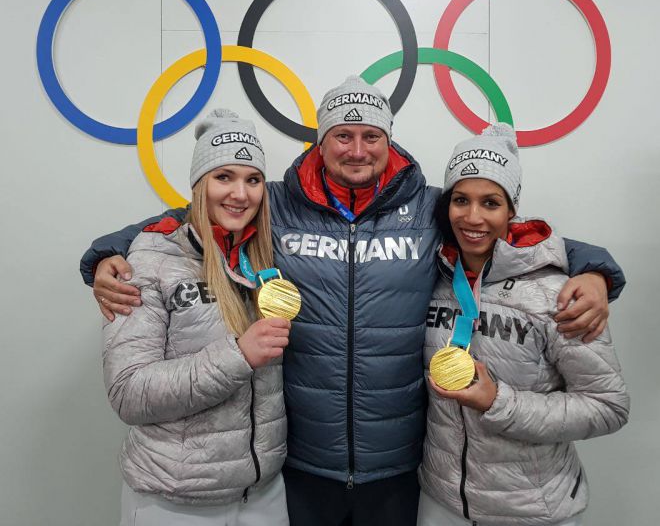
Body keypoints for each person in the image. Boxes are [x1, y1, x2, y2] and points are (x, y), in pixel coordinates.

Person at [82, 77, 625, 526]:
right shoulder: (275, 203)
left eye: (372, 135)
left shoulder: (430, 208)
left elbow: (509, 236)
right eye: (343, 135)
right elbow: (189, 220)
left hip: (398, 465)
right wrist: (106, 254)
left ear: (390, 140)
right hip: (299, 461)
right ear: (321, 141)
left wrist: (596, 269)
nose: (358, 149)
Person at [418, 123, 629, 526]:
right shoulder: (433, 277)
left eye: (491, 203)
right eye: (461, 200)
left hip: (532, 510)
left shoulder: (558, 294)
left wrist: (498, 402)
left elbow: (609, 406)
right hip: (441, 499)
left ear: (513, 210)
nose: (473, 217)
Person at [103, 109, 290, 525]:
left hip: (263, 494)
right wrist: (237, 356)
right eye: (224, 177)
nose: (240, 194)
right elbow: (128, 392)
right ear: (199, 185)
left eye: (253, 179)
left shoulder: (268, 259)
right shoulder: (151, 260)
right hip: (175, 500)